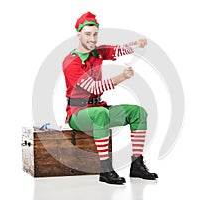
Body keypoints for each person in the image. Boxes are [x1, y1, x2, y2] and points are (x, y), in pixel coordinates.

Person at [62, 11, 158, 184]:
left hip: (99, 109)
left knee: (138, 112)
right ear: (78, 35)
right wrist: (122, 77)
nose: (92, 39)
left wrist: (136, 44)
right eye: (88, 34)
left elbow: (118, 50)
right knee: (101, 114)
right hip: (78, 114)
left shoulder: (97, 52)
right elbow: (93, 87)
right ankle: (105, 170)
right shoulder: (71, 62)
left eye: (95, 34)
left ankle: (137, 165)